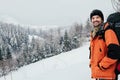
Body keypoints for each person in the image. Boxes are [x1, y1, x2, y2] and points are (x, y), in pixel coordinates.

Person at [89, 9, 119, 80]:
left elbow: (115, 52)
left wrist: (102, 65)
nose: (95, 20)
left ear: (102, 19)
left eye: (97, 17)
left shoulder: (107, 31)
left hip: (107, 75)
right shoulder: (95, 34)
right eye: (93, 18)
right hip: (100, 74)